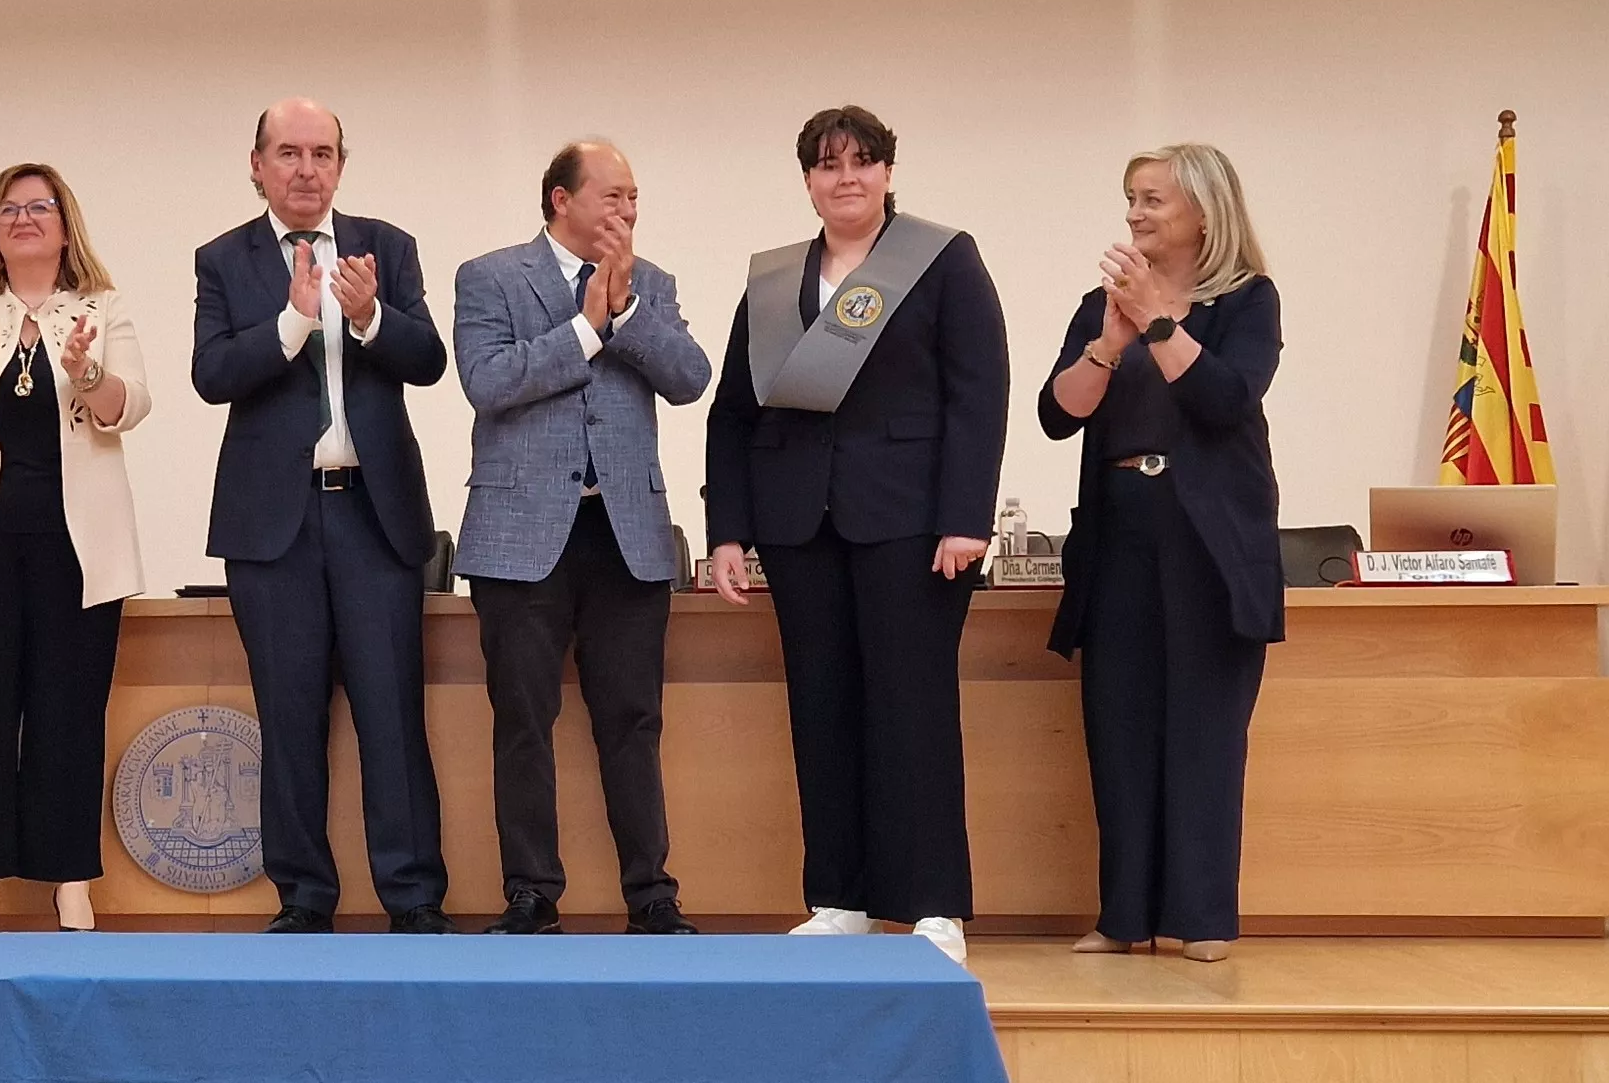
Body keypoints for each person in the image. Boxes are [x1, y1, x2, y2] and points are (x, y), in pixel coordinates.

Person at [703, 105, 1009, 965]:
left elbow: (978, 392)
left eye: (864, 161)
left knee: (912, 710)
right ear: (806, 180)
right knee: (822, 708)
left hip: (909, 525)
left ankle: (932, 904)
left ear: (886, 172)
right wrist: (729, 528)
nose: (848, 177)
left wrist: (964, 516)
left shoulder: (941, 260)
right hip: (800, 525)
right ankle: (837, 895)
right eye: (829, 164)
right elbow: (734, 413)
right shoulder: (772, 281)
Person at [191, 97, 455, 934]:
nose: (307, 168)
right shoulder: (223, 259)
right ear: (258, 164)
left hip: (374, 519)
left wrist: (371, 316)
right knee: (289, 713)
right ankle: (303, 896)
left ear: (342, 163)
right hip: (274, 526)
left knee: (392, 715)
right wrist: (294, 320)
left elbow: (430, 359)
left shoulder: (388, 246)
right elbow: (211, 373)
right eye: (289, 152)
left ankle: (412, 897)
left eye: (322, 153)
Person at [453, 140, 713, 937]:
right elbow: (488, 382)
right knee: (522, 718)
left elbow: (690, 376)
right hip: (520, 536)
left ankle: (652, 893)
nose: (628, 211)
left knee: (633, 719)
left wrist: (627, 314)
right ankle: (531, 891)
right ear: (561, 199)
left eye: (635, 198)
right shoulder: (490, 276)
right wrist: (586, 328)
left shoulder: (653, 285)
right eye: (613, 196)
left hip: (625, 534)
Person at [1037, 142, 1280, 965]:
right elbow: (1056, 413)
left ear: (1205, 212)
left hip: (1210, 540)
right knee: (1120, 725)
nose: (1136, 213)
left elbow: (1223, 399)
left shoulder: (1248, 300)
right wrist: (1108, 341)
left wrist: (1159, 321)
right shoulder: (1099, 303)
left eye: (1154, 200)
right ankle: (1123, 915)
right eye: (1131, 198)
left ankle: (1203, 915)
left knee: (1206, 732)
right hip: (1121, 532)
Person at [0, 162, 152, 933]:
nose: (23, 218)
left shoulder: (101, 308)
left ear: (62, 223)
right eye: (8, 209)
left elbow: (129, 406)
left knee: (69, 714)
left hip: (78, 550)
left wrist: (85, 370)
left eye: (38, 206)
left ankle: (70, 880)